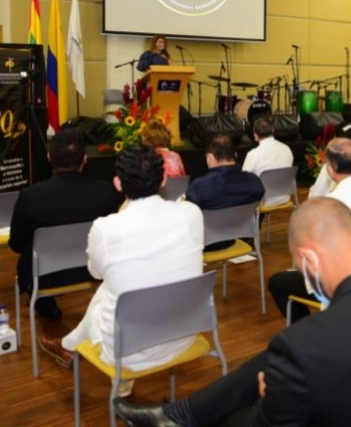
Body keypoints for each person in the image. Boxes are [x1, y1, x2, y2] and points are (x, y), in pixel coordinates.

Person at [114, 198, 351, 427]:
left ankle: (186, 418)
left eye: (300, 268)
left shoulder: (305, 346)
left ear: (311, 259)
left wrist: (272, 400)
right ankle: (182, 415)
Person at [38, 146, 204, 376]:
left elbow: (95, 273)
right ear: (164, 179)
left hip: (126, 351)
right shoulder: (192, 213)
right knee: (118, 285)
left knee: (110, 287)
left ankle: (67, 345)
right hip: (184, 333)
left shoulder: (106, 228)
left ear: (118, 184)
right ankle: (67, 345)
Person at [269, 137, 351, 320]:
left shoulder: (333, 205)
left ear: (330, 170)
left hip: (348, 284)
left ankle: (311, 332)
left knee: (278, 282)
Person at [9, 129, 120, 318]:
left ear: (48, 157)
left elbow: (17, 245)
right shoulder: (106, 192)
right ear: (85, 159)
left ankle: (44, 303)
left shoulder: (30, 196)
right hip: (93, 270)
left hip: (43, 277)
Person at [186, 133, 264, 250]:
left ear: (210, 158)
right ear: (235, 155)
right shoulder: (255, 182)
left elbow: (189, 218)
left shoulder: (200, 186)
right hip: (237, 238)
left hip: (204, 244)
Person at [241, 117, 294, 206]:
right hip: (284, 197)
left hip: (263, 200)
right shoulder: (286, 149)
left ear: (255, 135)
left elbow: (244, 179)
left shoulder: (253, 154)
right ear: (273, 131)